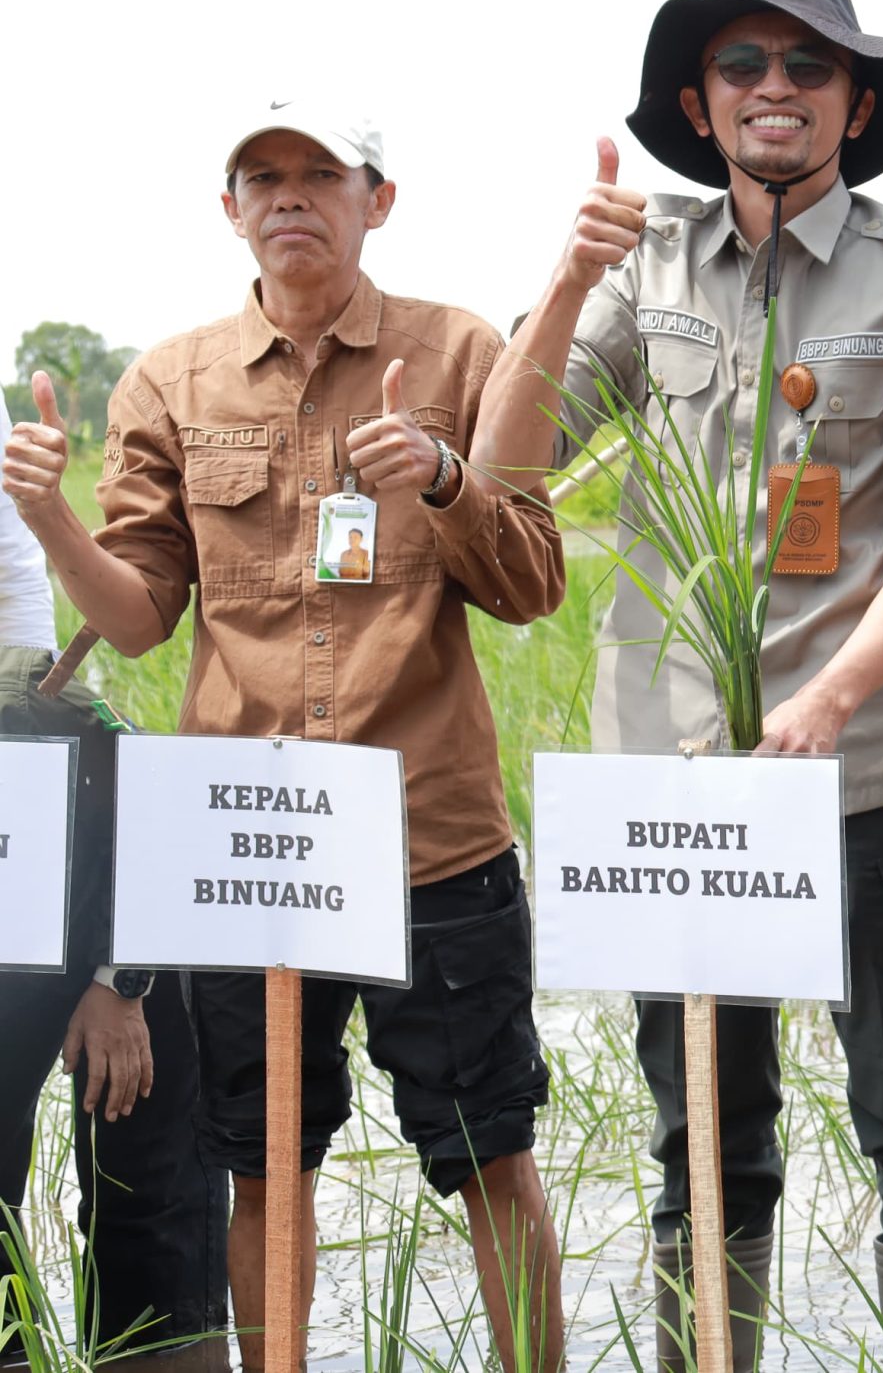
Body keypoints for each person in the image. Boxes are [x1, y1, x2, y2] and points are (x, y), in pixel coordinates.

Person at [473, 0, 883, 1373]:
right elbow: (505, 467)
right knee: (703, 1127)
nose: (774, 87)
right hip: (675, 783)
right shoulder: (640, 268)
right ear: (697, 105)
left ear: (855, 101)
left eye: (807, 65)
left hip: (872, 770)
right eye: (742, 65)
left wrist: (831, 697)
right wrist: (566, 276)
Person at [0, 106, 569, 1373]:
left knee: (489, 1159)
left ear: (381, 199)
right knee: (262, 1168)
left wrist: (436, 474)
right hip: (247, 859)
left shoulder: (461, 349)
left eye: (323, 175)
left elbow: (531, 583)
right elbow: (138, 618)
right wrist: (47, 518)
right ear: (230, 210)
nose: (292, 196)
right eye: (264, 177)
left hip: (432, 837)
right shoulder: (172, 379)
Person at [1, 405, 229, 1371]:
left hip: (106, 955)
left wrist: (118, 981)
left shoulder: (54, 722)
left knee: (153, 1187)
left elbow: (138, 821)